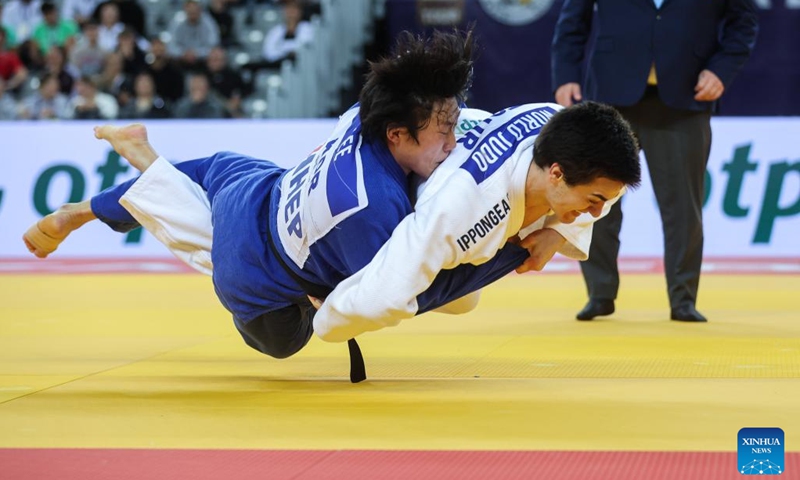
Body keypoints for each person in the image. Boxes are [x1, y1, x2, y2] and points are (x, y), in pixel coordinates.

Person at [23, 31, 639, 376]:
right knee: (274, 327)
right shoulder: (387, 211)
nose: (455, 142)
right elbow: (376, 298)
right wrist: (329, 315)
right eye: (443, 134)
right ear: (399, 136)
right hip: (257, 264)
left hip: (263, 183)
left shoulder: (369, 115)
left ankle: (101, 196)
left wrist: (561, 229)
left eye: (457, 125)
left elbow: (578, 149)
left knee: (211, 176)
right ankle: (141, 174)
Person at [551, 0, 758, 323]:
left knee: (683, 207)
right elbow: (572, 21)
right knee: (594, 201)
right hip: (610, 95)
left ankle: (683, 298)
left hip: (684, 99)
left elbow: (743, 23)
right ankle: (600, 292)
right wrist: (565, 74)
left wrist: (721, 69)